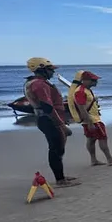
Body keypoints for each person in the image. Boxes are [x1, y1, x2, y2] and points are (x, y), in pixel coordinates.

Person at [24, 57, 80, 187]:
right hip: (49, 120)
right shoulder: (39, 84)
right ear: (42, 69)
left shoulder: (36, 82)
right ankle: (60, 180)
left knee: (58, 148)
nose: (53, 73)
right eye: (50, 70)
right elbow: (47, 107)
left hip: (48, 119)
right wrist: (61, 125)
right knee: (56, 149)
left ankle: (61, 176)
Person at [70, 70, 112, 166]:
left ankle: (94, 160)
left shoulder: (85, 90)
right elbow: (81, 108)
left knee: (91, 139)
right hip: (93, 120)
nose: (95, 82)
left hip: (90, 119)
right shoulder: (81, 92)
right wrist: (90, 122)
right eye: (93, 80)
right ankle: (110, 159)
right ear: (85, 80)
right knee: (102, 138)